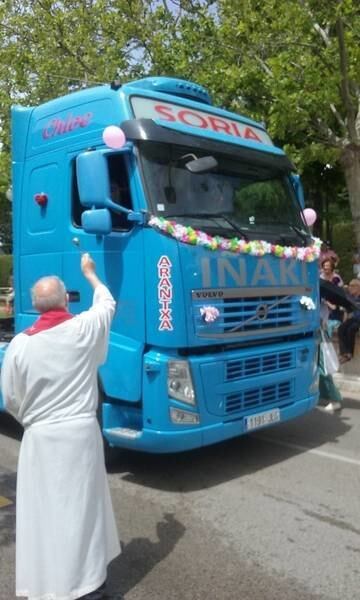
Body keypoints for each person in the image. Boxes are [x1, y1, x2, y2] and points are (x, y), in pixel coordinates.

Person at [0, 253, 120, 600]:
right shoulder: (83, 328)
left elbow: (10, 398)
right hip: (81, 436)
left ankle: (50, 585)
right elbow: (107, 301)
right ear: (66, 299)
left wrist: (35, 423)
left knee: (46, 513)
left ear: (35, 306)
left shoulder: (20, 345)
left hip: (41, 439)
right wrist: (91, 274)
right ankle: (90, 586)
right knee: (83, 512)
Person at [318, 299, 342, 413]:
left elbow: (322, 322)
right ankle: (323, 395)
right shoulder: (319, 301)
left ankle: (335, 400)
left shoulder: (321, 303)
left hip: (321, 339)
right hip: (317, 338)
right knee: (320, 370)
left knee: (324, 369)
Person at [337, 279, 360, 364]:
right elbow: (347, 311)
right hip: (352, 319)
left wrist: (353, 315)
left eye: (351, 286)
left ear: (357, 287)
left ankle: (350, 353)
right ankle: (344, 353)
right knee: (341, 328)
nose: (349, 288)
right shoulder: (351, 298)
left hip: (358, 320)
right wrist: (344, 321)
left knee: (351, 329)